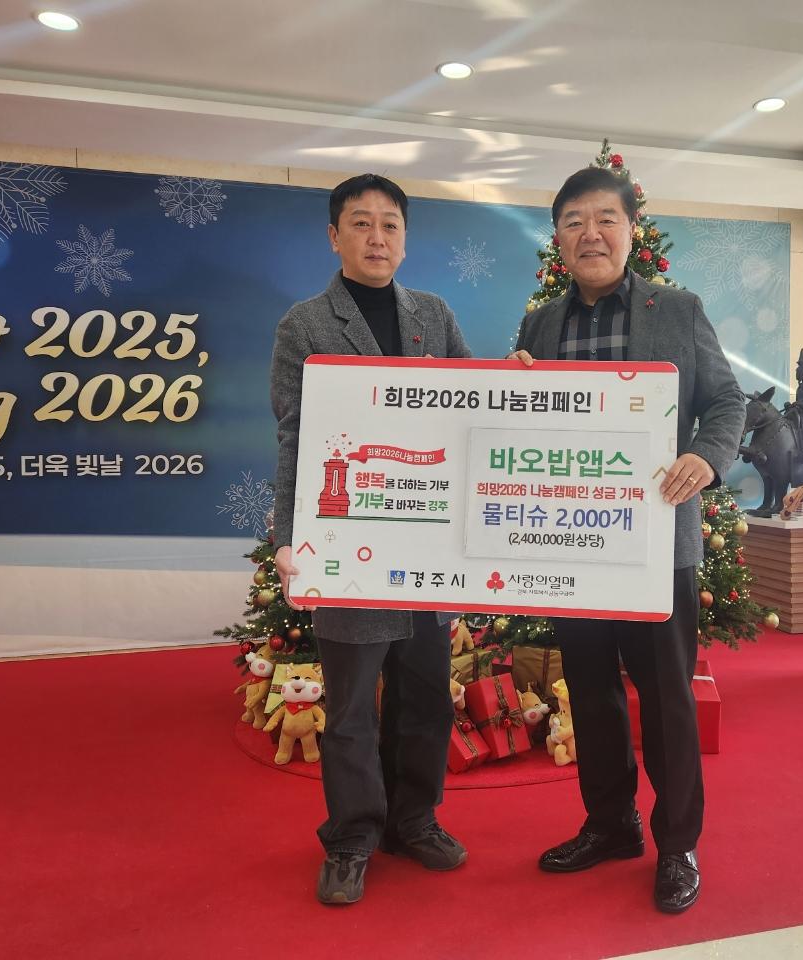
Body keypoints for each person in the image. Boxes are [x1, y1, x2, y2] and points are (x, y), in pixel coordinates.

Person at [508, 166, 746, 913]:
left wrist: (706, 458)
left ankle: (678, 844)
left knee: (667, 697)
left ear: (631, 230)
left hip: (654, 543)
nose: (591, 234)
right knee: (590, 690)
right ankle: (611, 824)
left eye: (605, 219)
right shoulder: (540, 325)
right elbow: (521, 422)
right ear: (557, 238)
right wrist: (510, 388)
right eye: (574, 221)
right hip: (571, 545)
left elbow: (726, 400)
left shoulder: (677, 309)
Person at [270, 174, 473, 906]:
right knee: (353, 706)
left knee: (427, 699)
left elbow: (471, 415)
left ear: (405, 239)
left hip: (428, 544)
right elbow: (295, 439)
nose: (377, 238)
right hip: (348, 540)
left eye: (390, 225)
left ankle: (414, 820)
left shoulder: (435, 315)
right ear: (335, 236)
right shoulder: (305, 325)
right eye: (361, 223)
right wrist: (289, 538)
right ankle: (353, 836)